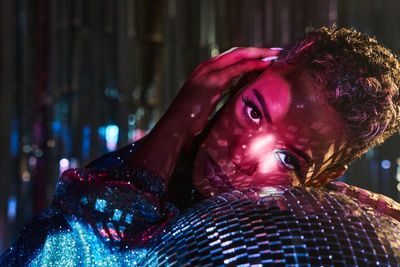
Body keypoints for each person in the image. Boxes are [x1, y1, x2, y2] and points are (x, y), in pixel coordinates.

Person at [1, 26, 400, 265]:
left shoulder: (316, 243)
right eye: (254, 112)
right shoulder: (124, 183)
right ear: (231, 87)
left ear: (323, 179)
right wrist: (175, 125)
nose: (241, 156)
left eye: (287, 157)